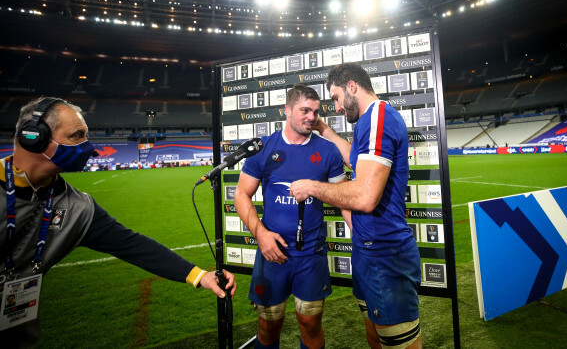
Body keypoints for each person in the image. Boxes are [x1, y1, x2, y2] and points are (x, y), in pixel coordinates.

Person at [0, 97, 236, 348]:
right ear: (33, 136)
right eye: (76, 135)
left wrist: (200, 276)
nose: (89, 147)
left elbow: (133, 245)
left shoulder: (79, 208)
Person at [290, 63, 423, 348]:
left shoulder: (380, 116)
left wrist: (311, 187)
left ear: (352, 86)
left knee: (399, 342)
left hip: (386, 253)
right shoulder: (367, 121)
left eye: (336, 98)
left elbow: (365, 196)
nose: (336, 107)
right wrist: (325, 131)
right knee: (375, 336)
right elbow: (357, 162)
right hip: (367, 248)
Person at [234, 84, 347, 349]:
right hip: (272, 254)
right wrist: (261, 235)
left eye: (316, 112)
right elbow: (241, 194)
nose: (311, 117)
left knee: (310, 325)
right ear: (286, 110)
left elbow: (344, 199)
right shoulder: (263, 148)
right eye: (304, 110)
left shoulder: (328, 150)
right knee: (268, 326)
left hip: (311, 254)